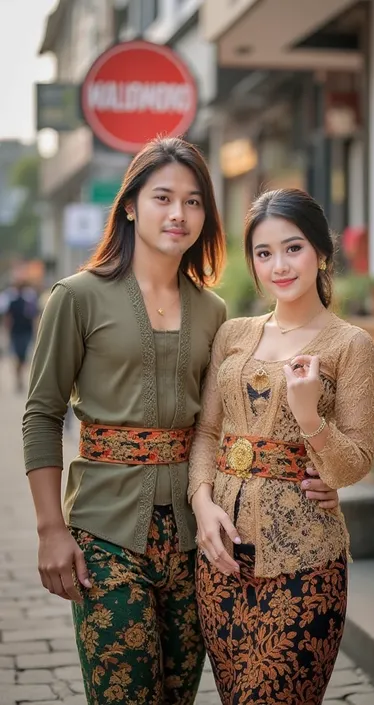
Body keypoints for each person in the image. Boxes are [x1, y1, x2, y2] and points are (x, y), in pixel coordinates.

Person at [22, 138, 339, 705]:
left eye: (194, 202)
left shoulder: (213, 310)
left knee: (179, 694)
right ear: (129, 205)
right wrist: (50, 528)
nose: (178, 214)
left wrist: (318, 475)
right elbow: (41, 415)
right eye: (163, 197)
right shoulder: (76, 297)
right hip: (106, 531)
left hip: (197, 540)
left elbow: (226, 422)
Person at [189, 188, 374, 705]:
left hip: (306, 565)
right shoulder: (232, 335)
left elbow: (353, 464)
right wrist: (201, 502)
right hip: (221, 565)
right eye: (263, 252)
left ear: (321, 252)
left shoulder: (351, 346)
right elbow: (208, 433)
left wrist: (307, 416)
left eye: (293, 248)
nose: (279, 265)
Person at [5, 282, 38, 391]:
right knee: (20, 356)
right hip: (21, 332)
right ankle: (19, 378)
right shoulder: (23, 303)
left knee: (20, 357)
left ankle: (19, 377)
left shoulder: (21, 303)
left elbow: (8, 319)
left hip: (20, 332)